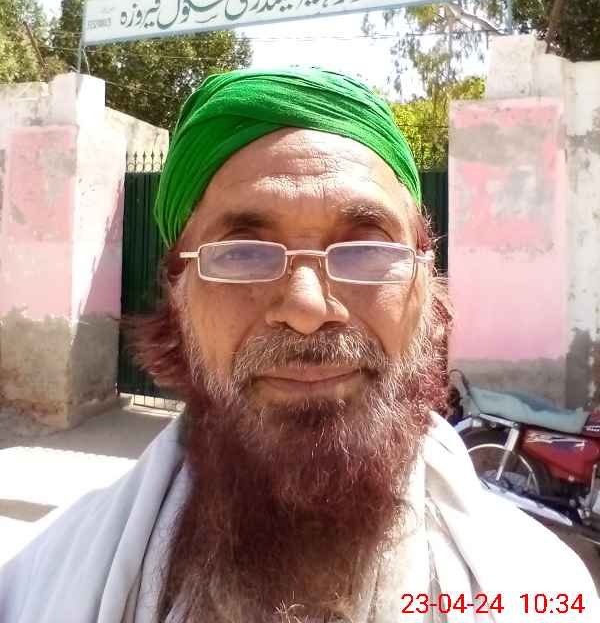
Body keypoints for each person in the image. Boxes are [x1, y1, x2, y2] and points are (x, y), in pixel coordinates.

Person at [0, 67, 597, 623]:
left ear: (427, 288)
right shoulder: (35, 587)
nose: (307, 310)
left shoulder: (541, 589)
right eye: (241, 254)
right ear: (178, 300)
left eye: (367, 248)